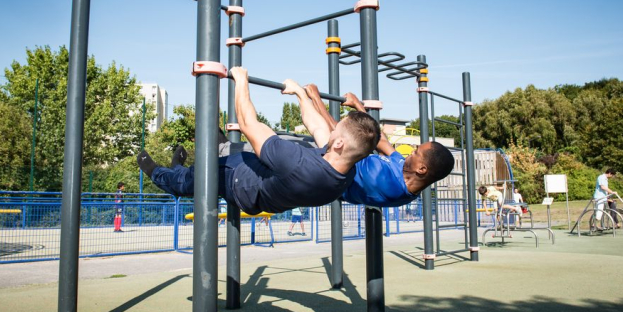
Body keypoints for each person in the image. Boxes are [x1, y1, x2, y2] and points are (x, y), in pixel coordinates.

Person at [138, 67, 381, 215]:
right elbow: (316, 125)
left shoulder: (297, 164)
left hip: (239, 182)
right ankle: (205, 152)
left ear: (338, 144)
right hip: (267, 191)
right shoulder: (347, 170)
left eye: (336, 129)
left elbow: (248, 124)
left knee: (196, 176)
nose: (332, 128)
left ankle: (163, 176)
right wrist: (299, 93)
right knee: (266, 148)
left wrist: (240, 80)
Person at [304, 84, 455, 208]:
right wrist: (357, 104)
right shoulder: (405, 170)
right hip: (338, 153)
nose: (411, 152)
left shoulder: (387, 184)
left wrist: (315, 98)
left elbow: (340, 138)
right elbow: (382, 140)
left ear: (421, 169)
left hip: (328, 167)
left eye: (416, 153)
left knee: (311, 130)